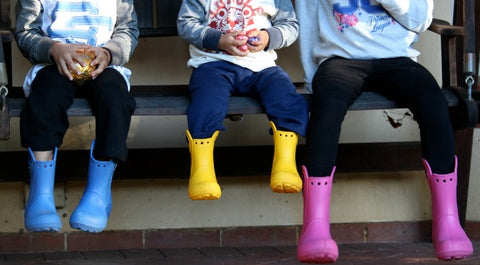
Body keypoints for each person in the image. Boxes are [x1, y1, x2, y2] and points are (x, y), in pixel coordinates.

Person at [295, 0, 473, 263]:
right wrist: (314, 80)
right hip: (340, 60)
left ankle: (448, 223)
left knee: (433, 104)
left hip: (397, 59)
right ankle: (315, 227)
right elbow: (308, 19)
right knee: (326, 110)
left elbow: (421, 21)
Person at [15, 0, 138, 233]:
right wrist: (53, 49)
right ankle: (40, 195)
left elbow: (127, 30)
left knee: (115, 99)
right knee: (45, 99)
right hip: (55, 65)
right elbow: (25, 31)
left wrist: (109, 53)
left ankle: (98, 194)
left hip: (103, 67)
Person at [177, 0, 309, 200]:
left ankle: (285, 164)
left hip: (261, 66)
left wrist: (267, 37)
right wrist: (219, 40)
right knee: (206, 102)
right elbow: (186, 24)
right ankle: (201, 171)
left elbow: (290, 26)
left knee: (286, 97)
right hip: (212, 65)